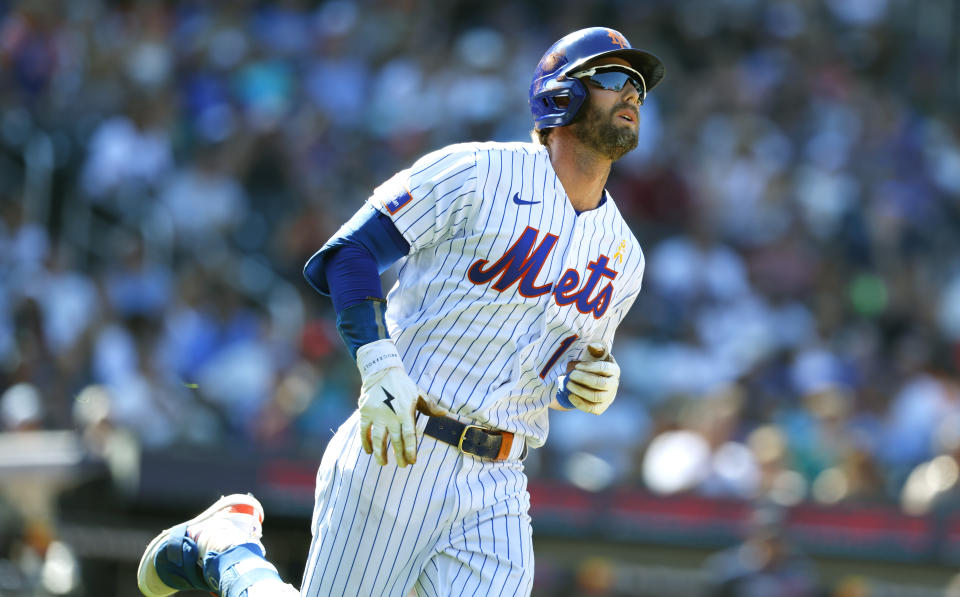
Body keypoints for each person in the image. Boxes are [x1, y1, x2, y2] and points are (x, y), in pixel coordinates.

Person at [137, 26, 664, 597]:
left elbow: (550, 362)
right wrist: (378, 365)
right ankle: (228, 551)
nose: (632, 93)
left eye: (639, 84)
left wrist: (578, 381)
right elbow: (350, 254)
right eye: (613, 78)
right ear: (560, 96)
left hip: (502, 477)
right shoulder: (477, 172)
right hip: (400, 446)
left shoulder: (625, 257)